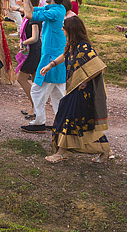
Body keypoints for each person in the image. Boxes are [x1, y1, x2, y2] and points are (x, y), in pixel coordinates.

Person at [42, 17, 111, 163]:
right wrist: (51, 65)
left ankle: (63, 152)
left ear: (71, 30)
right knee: (74, 120)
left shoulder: (84, 47)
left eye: (64, 27)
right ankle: (103, 150)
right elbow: (65, 55)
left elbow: (97, 66)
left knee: (71, 119)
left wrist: (84, 81)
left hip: (83, 93)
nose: (62, 29)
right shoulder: (73, 45)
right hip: (74, 91)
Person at [21, 0, 67, 133]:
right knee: (57, 94)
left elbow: (29, 15)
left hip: (51, 58)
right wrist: (22, 1)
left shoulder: (54, 12)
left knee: (37, 91)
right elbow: (32, 10)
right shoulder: (58, 9)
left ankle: (39, 122)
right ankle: (61, 122)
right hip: (56, 57)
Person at [15, 0, 42, 120]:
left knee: (21, 78)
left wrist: (23, 42)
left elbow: (35, 37)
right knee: (33, 81)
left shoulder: (33, 18)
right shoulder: (32, 15)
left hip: (33, 51)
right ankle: (34, 106)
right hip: (33, 50)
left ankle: (35, 106)